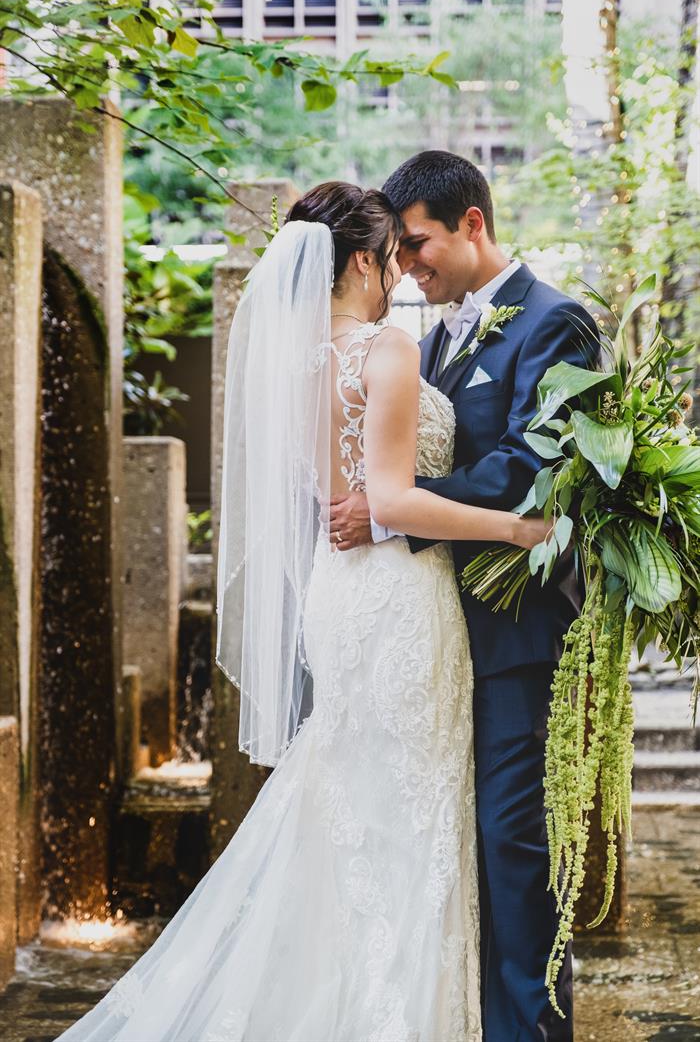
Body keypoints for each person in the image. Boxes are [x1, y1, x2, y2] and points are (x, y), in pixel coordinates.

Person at [56, 181, 549, 1042]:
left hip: (342, 592)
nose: (401, 267)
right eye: (392, 251)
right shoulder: (387, 350)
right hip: (397, 595)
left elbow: (350, 495)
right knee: (407, 812)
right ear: (362, 258)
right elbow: (391, 500)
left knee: (356, 802)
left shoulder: (288, 363)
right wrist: (518, 527)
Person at [330, 152, 599, 1042]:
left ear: (472, 224)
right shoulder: (441, 336)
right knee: (451, 850)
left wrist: (391, 513)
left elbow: (533, 467)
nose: (406, 267)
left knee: (514, 852)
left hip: (516, 633)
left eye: (419, 245)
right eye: (399, 252)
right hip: (436, 635)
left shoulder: (556, 322)